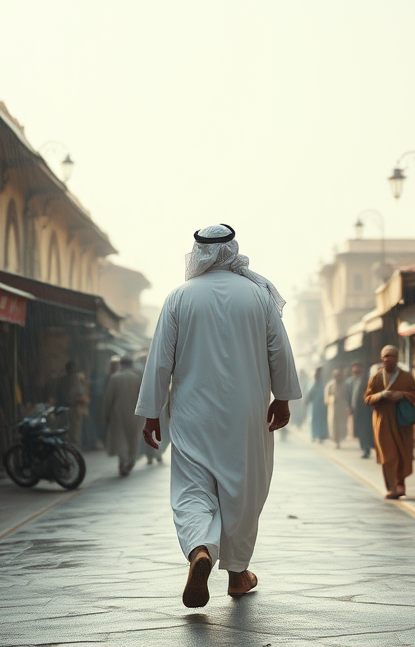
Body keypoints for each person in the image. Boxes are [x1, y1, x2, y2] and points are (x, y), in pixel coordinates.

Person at [136, 223, 301, 609]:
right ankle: (238, 573)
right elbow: (279, 350)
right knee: (242, 489)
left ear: (198, 253)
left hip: (193, 413)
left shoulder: (179, 297)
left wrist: (151, 413)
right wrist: (284, 398)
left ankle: (200, 550)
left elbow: (160, 361)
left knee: (192, 488)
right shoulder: (258, 296)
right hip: (247, 413)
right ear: (232, 250)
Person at [364, 345, 415, 499]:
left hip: (401, 421)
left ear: (397, 358)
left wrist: (402, 395)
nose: (387, 359)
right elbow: (367, 398)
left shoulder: (406, 377)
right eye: (385, 356)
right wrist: (380, 395)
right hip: (382, 422)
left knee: (402, 453)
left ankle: (400, 484)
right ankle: (391, 487)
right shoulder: (376, 377)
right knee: (388, 455)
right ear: (381, 358)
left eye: (391, 356)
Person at [103, 355, 145, 476]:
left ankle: (123, 461)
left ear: (121, 364)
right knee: (133, 438)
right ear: (131, 364)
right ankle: (131, 460)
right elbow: (142, 397)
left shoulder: (114, 378)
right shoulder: (137, 378)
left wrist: (106, 412)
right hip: (135, 413)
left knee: (121, 438)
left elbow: (108, 397)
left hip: (118, 413)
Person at [55, 361, 88, 447]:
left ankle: (75, 452)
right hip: (68, 408)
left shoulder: (74, 379)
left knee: (73, 433)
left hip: (72, 408)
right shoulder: (70, 380)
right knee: (70, 433)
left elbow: (82, 394)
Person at [346, 362, 373, 458]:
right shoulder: (351, 382)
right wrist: (349, 406)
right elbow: (350, 395)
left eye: (357, 371)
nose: (355, 373)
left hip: (364, 410)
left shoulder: (366, 381)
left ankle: (366, 449)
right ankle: (363, 447)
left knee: (364, 430)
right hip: (355, 409)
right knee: (358, 430)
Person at [324, 368, 348, 448]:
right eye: (336, 376)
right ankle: (336, 441)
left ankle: (340, 439)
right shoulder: (330, 385)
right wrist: (332, 399)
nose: (338, 377)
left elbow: (347, 396)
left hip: (342, 408)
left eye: (339, 375)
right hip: (333, 408)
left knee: (342, 425)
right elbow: (326, 397)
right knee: (333, 425)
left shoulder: (345, 385)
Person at [307, 366, 328, 443]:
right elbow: (310, 394)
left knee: (321, 421)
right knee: (314, 420)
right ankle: (314, 436)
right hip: (315, 405)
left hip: (321, 405)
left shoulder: (323, 383)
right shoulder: (313, 383)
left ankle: (321, 436)